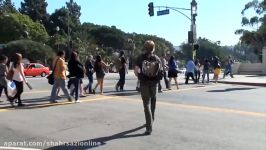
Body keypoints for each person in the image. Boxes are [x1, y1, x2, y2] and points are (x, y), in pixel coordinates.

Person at [135, 40, 162, 135]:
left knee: (146, 104)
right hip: (154, 83)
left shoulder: (140, 57)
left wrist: (139, 77)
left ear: (145, 48)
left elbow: (136, 70)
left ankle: (149, 127)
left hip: (144, 83)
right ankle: (152, 119)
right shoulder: (157, 58)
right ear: (153, 48)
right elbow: (161, 72)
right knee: (153, 100)